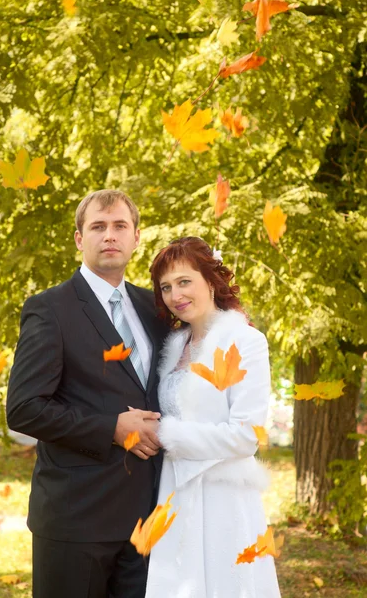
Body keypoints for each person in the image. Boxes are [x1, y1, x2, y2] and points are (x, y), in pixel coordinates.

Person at [7, 189, 167, 598]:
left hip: (147, 522)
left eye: (119, 226)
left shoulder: (156, 309)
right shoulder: (50, 309)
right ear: (80, 239)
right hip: (74, 520)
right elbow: (24, 410)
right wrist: (111, 427)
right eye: (98, 226)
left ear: (136, 237)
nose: (109, 235)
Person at [143, 237, 281, 598]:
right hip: (173, 493)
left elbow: (246, 436)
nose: (176, 295)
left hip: (223, 496)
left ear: (210, 280)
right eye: (166, 287)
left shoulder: (246, 341)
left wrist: (166, 434)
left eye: (184, 281)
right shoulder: (174, 347)